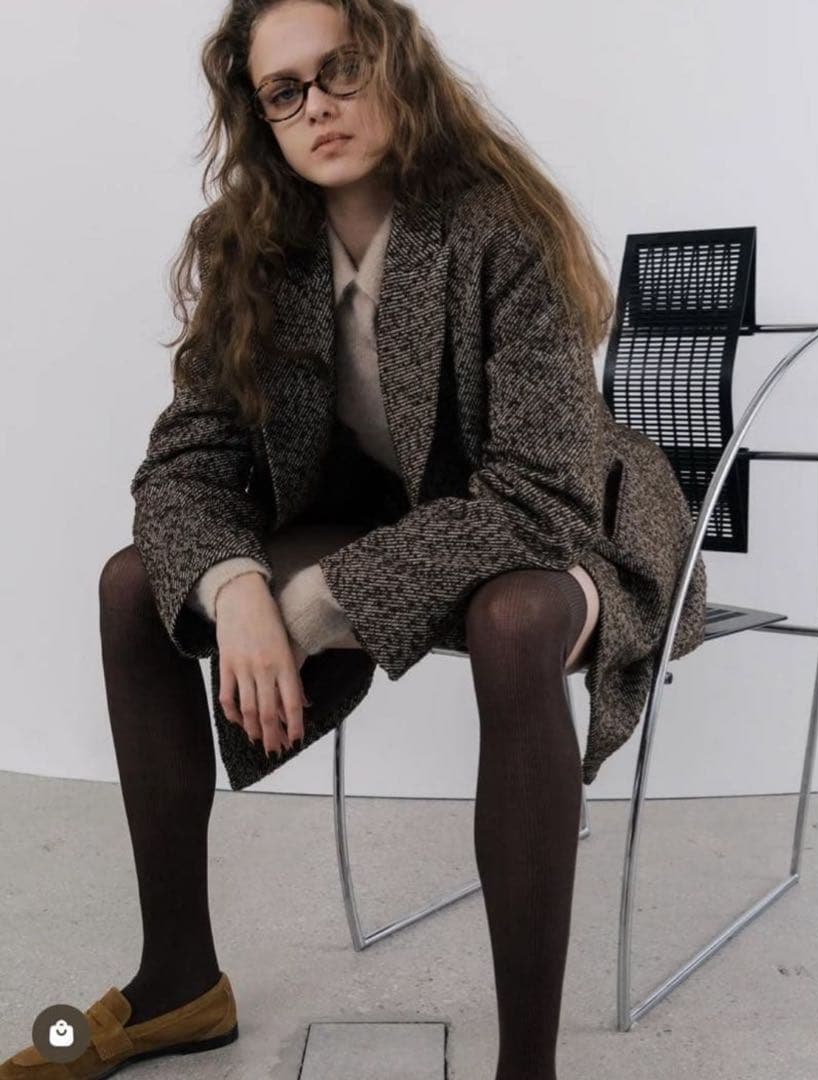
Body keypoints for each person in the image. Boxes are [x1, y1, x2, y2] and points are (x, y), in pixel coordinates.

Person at [1, 2, 709, 1078]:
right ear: (262, 117)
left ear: (394, 66)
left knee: (515, 620)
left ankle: (527, 1066)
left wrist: (319, 600)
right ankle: (179, 980)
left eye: (341, 70)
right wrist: (237, 589)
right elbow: (185, 464)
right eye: (284, 92)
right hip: (399, 516)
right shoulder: (249, 248)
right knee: (135, 584)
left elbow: (535, 494)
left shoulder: (500, 225)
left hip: (573, 517)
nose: (318, 107)